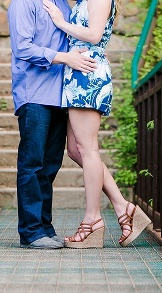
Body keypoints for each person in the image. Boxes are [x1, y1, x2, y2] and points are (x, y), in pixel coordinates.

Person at [43, 0, 152, 248]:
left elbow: (93, 35)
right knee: (75, 150)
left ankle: (92, 221)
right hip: (77, 73)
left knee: (88, 148)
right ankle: (124, 207)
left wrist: (60, 22)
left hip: (88, 73)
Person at [8, 0, 98, 249]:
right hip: (34, 93)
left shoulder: (63, 5)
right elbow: (23, 48)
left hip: (60, 95)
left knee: (50, 166)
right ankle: (31, 232)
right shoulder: (23, 3)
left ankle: (44, 226)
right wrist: (66, 58)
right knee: (32, 164)